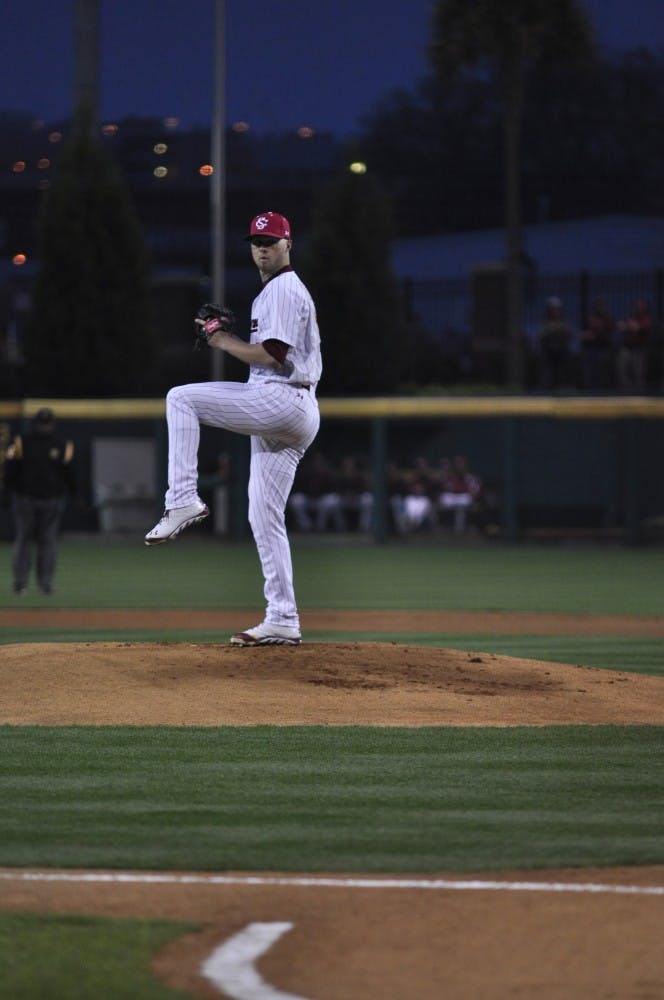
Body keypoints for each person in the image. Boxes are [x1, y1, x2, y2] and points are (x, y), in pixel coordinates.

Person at [145, 211, 322, 646]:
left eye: (271, 240)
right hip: (294, 410)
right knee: (264, 516)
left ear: (288, 244)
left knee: (180, 398)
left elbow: (274, 354)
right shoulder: (276, 291)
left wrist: (221, 340)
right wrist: (230, 336)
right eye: (256, 241)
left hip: (282, 400)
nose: (262, 247)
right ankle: (283, 618)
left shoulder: (282, 287)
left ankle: (182, 500)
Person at [3, 407, 75, 595]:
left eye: (47, 423)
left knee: (47, 542)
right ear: (35, 424)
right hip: (25, 499)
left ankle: (45, 584)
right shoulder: (20, 442)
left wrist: (74, 494)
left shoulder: (62, 444)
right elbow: (10, 469)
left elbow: (69, 472)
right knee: (23, 540)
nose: (44, 427)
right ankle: (20, 584)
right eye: (42, 424)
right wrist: (7, 493)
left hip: (51, 500)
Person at [537, 296, 573, 391]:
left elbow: (569, 334)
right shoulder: (544, 322)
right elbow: (540, 335)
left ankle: (563, 388)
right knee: (547, 374)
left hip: (561, 352)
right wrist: (551, 329)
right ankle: (546, 389)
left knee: (562, 373)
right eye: (552, 309)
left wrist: (560, 329)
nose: (555, 311)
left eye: (557, 309)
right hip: (548, 352)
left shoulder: (563, 321)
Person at [616, 298, 651, 392]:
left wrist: (633, 326)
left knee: (638, 369)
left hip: (639, 347)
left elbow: (640, 328)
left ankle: (640, 390)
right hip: (627, 346)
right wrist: (627, 326)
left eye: (640, 306)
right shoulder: (632, 317)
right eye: (636, 306)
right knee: (622, 365)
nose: (638, 308)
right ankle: (625, 388)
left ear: (644, 308)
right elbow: (623, 326)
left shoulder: (646, 318)